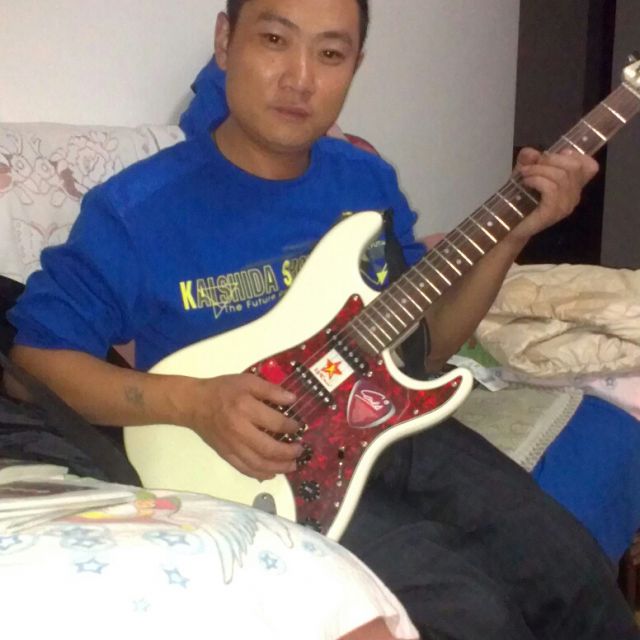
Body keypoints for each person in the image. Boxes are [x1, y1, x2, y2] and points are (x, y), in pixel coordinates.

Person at [5, 0, 638, 637]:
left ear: (354, 66)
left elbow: (423, 350)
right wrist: (195, 403)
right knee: (468, 612)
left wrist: (512, 236)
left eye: (330, 53)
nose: (300, 77)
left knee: (569, 569)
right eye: (275, 40)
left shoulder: (364, 180)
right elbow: (34, 360)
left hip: (394, 432)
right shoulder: (136, 208)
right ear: (225, 42)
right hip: (257, 472)